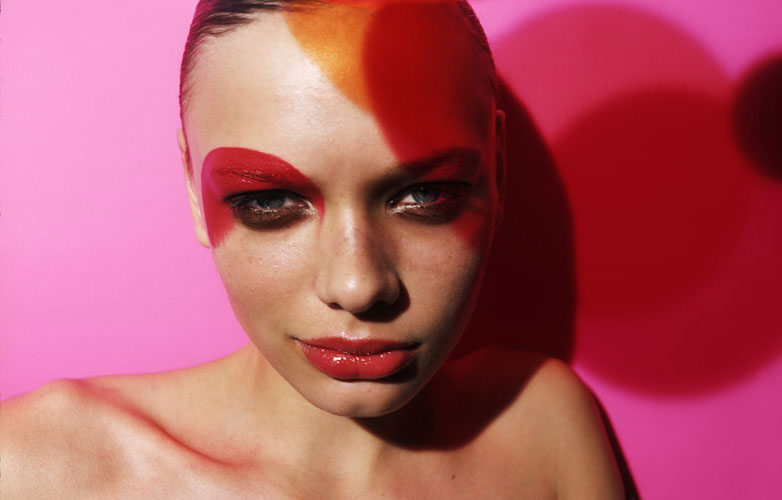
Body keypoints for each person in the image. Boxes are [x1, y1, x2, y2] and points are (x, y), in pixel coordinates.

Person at [0, 1, 625, 497]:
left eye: (425, 195)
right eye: (269, 201)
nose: (357, 286)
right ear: (193, 189)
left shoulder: (543, 430)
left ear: (498, 172)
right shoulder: (37, 469)